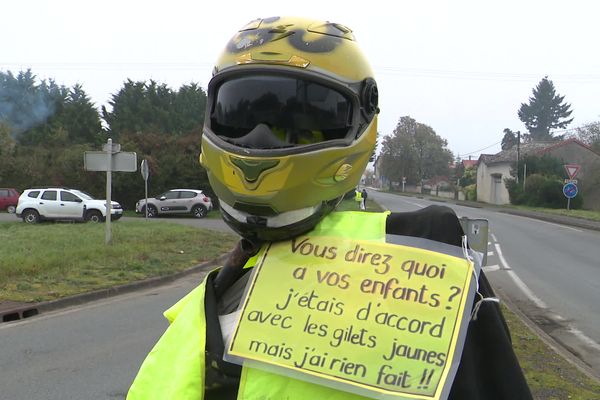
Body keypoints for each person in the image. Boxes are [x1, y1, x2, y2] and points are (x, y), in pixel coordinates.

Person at [127, 16, 532, 400]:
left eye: (303, 117)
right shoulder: (427, 255)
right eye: (241, 113)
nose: (262, 140)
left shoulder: (201, 309)